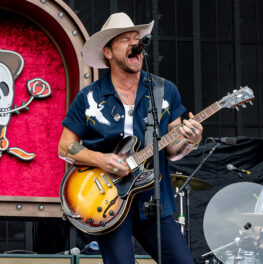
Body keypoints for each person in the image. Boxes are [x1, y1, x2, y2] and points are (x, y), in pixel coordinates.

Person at [58, 12, 202, 264]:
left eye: (137, 38)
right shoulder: (89, 97)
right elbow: (65, 147)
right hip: (108, 200)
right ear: (108, 52)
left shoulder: (164, 90)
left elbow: (174, 150)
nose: (135, 42)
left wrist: (191, 139)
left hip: (154, 198)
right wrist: (101, 160)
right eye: (125, 39)